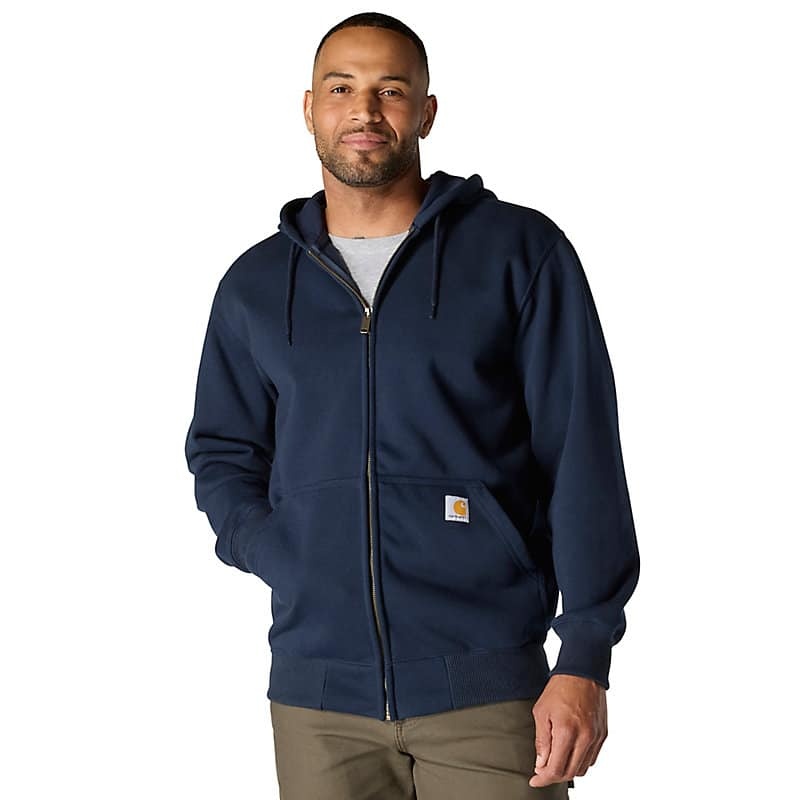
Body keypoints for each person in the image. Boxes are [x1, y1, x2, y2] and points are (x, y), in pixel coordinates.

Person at [184, 11, 640, 799]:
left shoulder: (518, 253)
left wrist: (585, 657)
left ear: (426, 112)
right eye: (341, 88)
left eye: (390, 90)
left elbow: (582, 455)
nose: (364, 110)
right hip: (317, 702)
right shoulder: (254, 285)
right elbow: (222, 451)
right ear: (309, 109)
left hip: (491, 693)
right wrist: (277, 548)